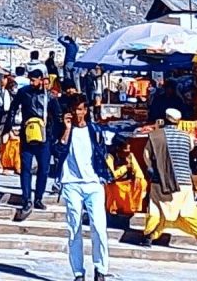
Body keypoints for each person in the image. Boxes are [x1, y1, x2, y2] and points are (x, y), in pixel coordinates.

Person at [53, 93, 113, 281]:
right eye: (74, 110)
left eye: (80, 109)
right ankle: (78, 272)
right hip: (71, 184)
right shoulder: (63, 129)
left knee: (99, 227)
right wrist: (66, 129)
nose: (77, 113)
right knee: (74, 228)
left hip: (93, 183)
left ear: (85, 110)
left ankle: (100, 268)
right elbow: (57, 152)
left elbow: (102, 153)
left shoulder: (94, 131)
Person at [142, 108, 197, 251]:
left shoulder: (155, 136)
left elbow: (146, 154)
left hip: (160, 181)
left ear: (165, 119)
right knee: (189, 211)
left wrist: (153, 168)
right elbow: (191, 148)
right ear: (178, 121)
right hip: (183, 183)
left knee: (156, 210)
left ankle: (148, 237)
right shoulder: (187, 137)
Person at [2, 68, 63, 220]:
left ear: (42, 79)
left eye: (34, 80)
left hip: (45, 137)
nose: (32, 82)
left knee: (43, 169)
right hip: (27, 135)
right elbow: (13, 108)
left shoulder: (49, 97)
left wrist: (57, 136)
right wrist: (8, 127)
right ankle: (26, 198)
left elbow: (58, 116)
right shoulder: (24, 92)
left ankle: (38, 198)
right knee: (25, 168)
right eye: (30, 80)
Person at [106, 138, 146, 216]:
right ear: (118, 148)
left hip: (128, 182)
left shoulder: (130, 155)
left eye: (129, 148)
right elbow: (111, 175)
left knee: (142, 182)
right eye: (125, 149)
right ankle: (115, 209)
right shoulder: (110, 156)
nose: (128, 151)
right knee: (115, 188)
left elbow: (137, 169)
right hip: (115, 183)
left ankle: (130, 208)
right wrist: (125, 168)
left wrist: (138, 177)